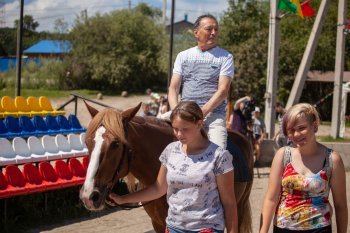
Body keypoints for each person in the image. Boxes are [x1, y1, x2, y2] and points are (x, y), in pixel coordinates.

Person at [107, 101, 238, 233]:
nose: (179, 134)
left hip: (207, 229)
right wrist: (123, 199)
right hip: (174, 228)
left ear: (199, 124)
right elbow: (158, 188)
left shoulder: (219, 156)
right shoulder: (170, 150)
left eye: (184, 129)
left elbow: (229, 202)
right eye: (175, 129)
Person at [260, 103, 348, 233]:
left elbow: (340, 205)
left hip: (319, 229)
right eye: (291, 130)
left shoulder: (332, 159)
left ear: (315, 126)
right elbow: (271, 198)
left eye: (301, 128)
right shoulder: (283, 155)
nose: (296, 134)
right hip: (283, 228)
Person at [168, 14, 234, 149]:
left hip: (212, 116)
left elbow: (223, 90)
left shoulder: (226, 57)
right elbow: (173, 88)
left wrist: (200, 113)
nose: (214, 33)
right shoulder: (183, 56)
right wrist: (177, 113)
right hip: (184, 113)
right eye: (209, 29)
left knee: (218, 153)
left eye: (216, 29)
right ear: (196, 33)